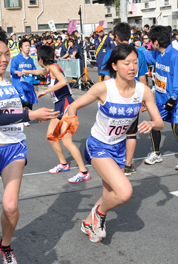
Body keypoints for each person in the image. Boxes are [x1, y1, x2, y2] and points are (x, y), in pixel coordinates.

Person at [0, 26, 58, 263]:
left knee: (10, 206)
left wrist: (33, 113)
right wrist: (31, 115)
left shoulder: (7, 81)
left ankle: (5, 245)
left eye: (7, 53)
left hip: (14, 148)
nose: (5, 58)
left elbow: (15, 113)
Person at [63, 43, 163, 242]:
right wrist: (70, 126)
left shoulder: (143, 91)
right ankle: (99, 215)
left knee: (109, 194)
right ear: (115, 66)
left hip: (119, 146)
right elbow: (73, 106)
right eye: (126, 63)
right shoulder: (103, 88)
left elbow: (160, 122)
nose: (132, 67)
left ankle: (88, 223)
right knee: (124, 191)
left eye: (135, 62)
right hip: (98, 145)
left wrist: (152, 123)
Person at [36, 45, 91, 182]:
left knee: (67, 141)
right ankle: (64, 164)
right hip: (58, 106)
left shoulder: (54, 68)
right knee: (51, 136)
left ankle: (83, 172)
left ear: (41, 59)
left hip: (67, 105)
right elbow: (39, 72)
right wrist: (23, 71)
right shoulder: (48, 70)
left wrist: (44, 91)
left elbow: (62, 82)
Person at [101, 23, 148, 176]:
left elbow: (106, 77)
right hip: (134, 95)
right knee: (131, 133)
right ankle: (128, 164)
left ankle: (114, 162)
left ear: (117, 37)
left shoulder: (111, 53)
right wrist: (144, 99)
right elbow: (142, 77)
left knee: (113, 131)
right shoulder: (139, 54)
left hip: (114, 97)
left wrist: (102, 97)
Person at [143, 26, 178, 170]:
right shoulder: (157, 54)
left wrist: (173, 97)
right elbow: (143, 54)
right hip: (161, 99)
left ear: (157, 42)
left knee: (176, 129)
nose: (150, 43)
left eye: (151, 41)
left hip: (177, 100)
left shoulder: (174, 56)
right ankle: (157, 153)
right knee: (154, 125)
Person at [10, 39, 38, 114]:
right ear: (21, 48)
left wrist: (39, 74)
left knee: (30, 101)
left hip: (28, 84)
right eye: (25, 46)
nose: (28, 47)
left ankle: (28, 116)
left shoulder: (31, 60)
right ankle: (23, 118)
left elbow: (34, 69)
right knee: (25, 101)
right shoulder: (16, 58)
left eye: (29, 46)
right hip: (19, 84)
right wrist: (16, 72)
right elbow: (12, 69)